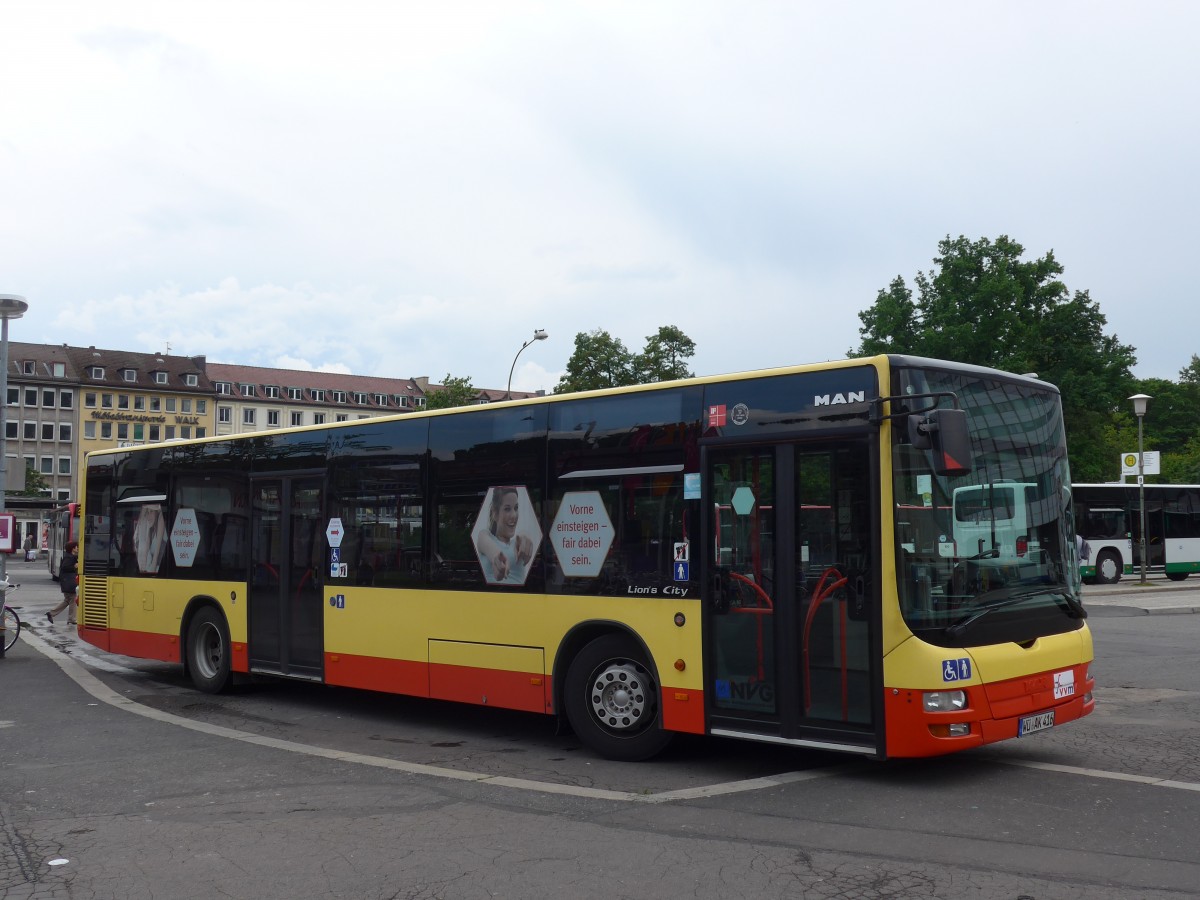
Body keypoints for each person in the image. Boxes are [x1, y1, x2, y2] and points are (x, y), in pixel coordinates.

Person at [475, 487, 534, 584]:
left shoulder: (517, 542)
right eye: (507, 509)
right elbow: (484, 542)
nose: (514, 515)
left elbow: (523, 535)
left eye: (516, 508)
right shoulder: (485, 535)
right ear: (495, 513)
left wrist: (524, 535)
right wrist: (496, 557)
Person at [48, 540, 78, 625]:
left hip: (67, 581)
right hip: (69, 582)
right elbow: (65, 567)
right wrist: (74, 566)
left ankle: (52, 613)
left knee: (68, 600)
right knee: (73, 599)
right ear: (73, 548)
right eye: (76, 547)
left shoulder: (71, 556)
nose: (78, 548)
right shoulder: (69, 557)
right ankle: (71, 618)